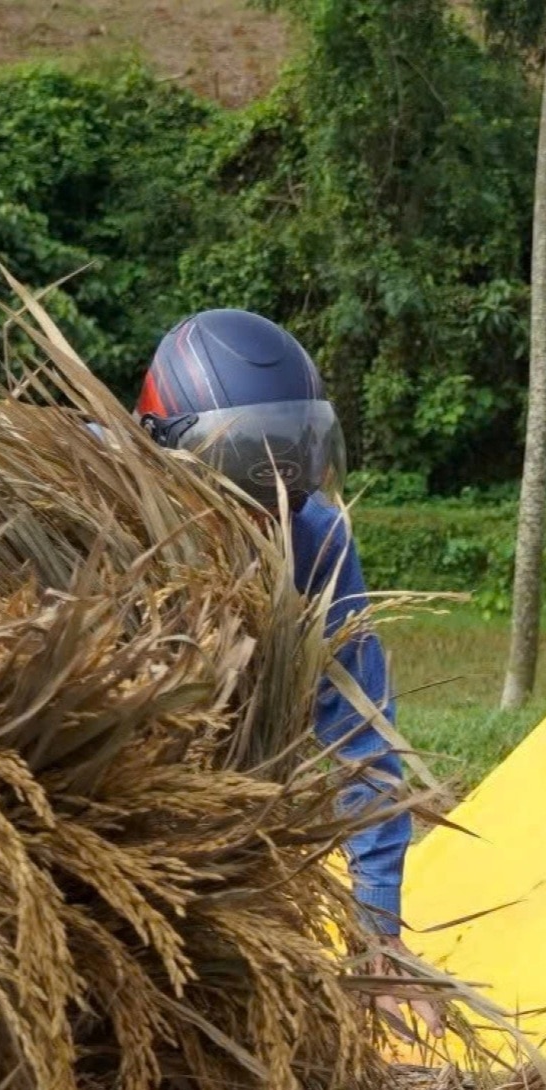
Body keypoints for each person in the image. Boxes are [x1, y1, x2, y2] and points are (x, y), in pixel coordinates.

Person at [138, 309, 413, 946]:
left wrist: (378, 928)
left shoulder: (311, 537)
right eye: (243, 472)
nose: (272, 511)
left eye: (292, 460)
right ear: (164, 450)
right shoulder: (80, 504)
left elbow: (360, 731)